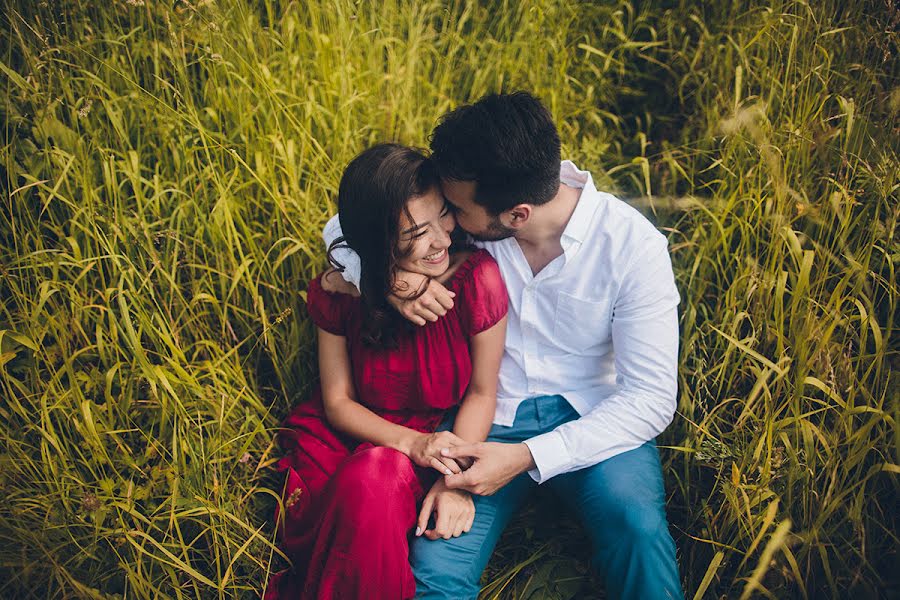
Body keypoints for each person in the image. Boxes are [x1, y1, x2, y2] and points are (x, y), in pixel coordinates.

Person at [324, 92, 685, 600]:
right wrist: (388, 280)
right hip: (483, 417)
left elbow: (650, 399)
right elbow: (352, 224)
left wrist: (527, 456)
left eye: (454, 210)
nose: (447, 219)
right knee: (435, 568)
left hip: (595, 420)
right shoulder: (476, 211)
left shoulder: (634, 247)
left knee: (638, 531)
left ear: (515, 215)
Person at [266, 143, 509, 600]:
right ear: (379, 244)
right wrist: (382, 283)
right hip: (346, 437)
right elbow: (337, 401)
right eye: (417, 232)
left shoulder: (476, 280)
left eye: (444, 214)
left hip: (429, 444)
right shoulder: (346, 290)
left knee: (376, 478)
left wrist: (450, 477)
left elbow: (481, 392)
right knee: (370, 478)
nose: (440, 239)